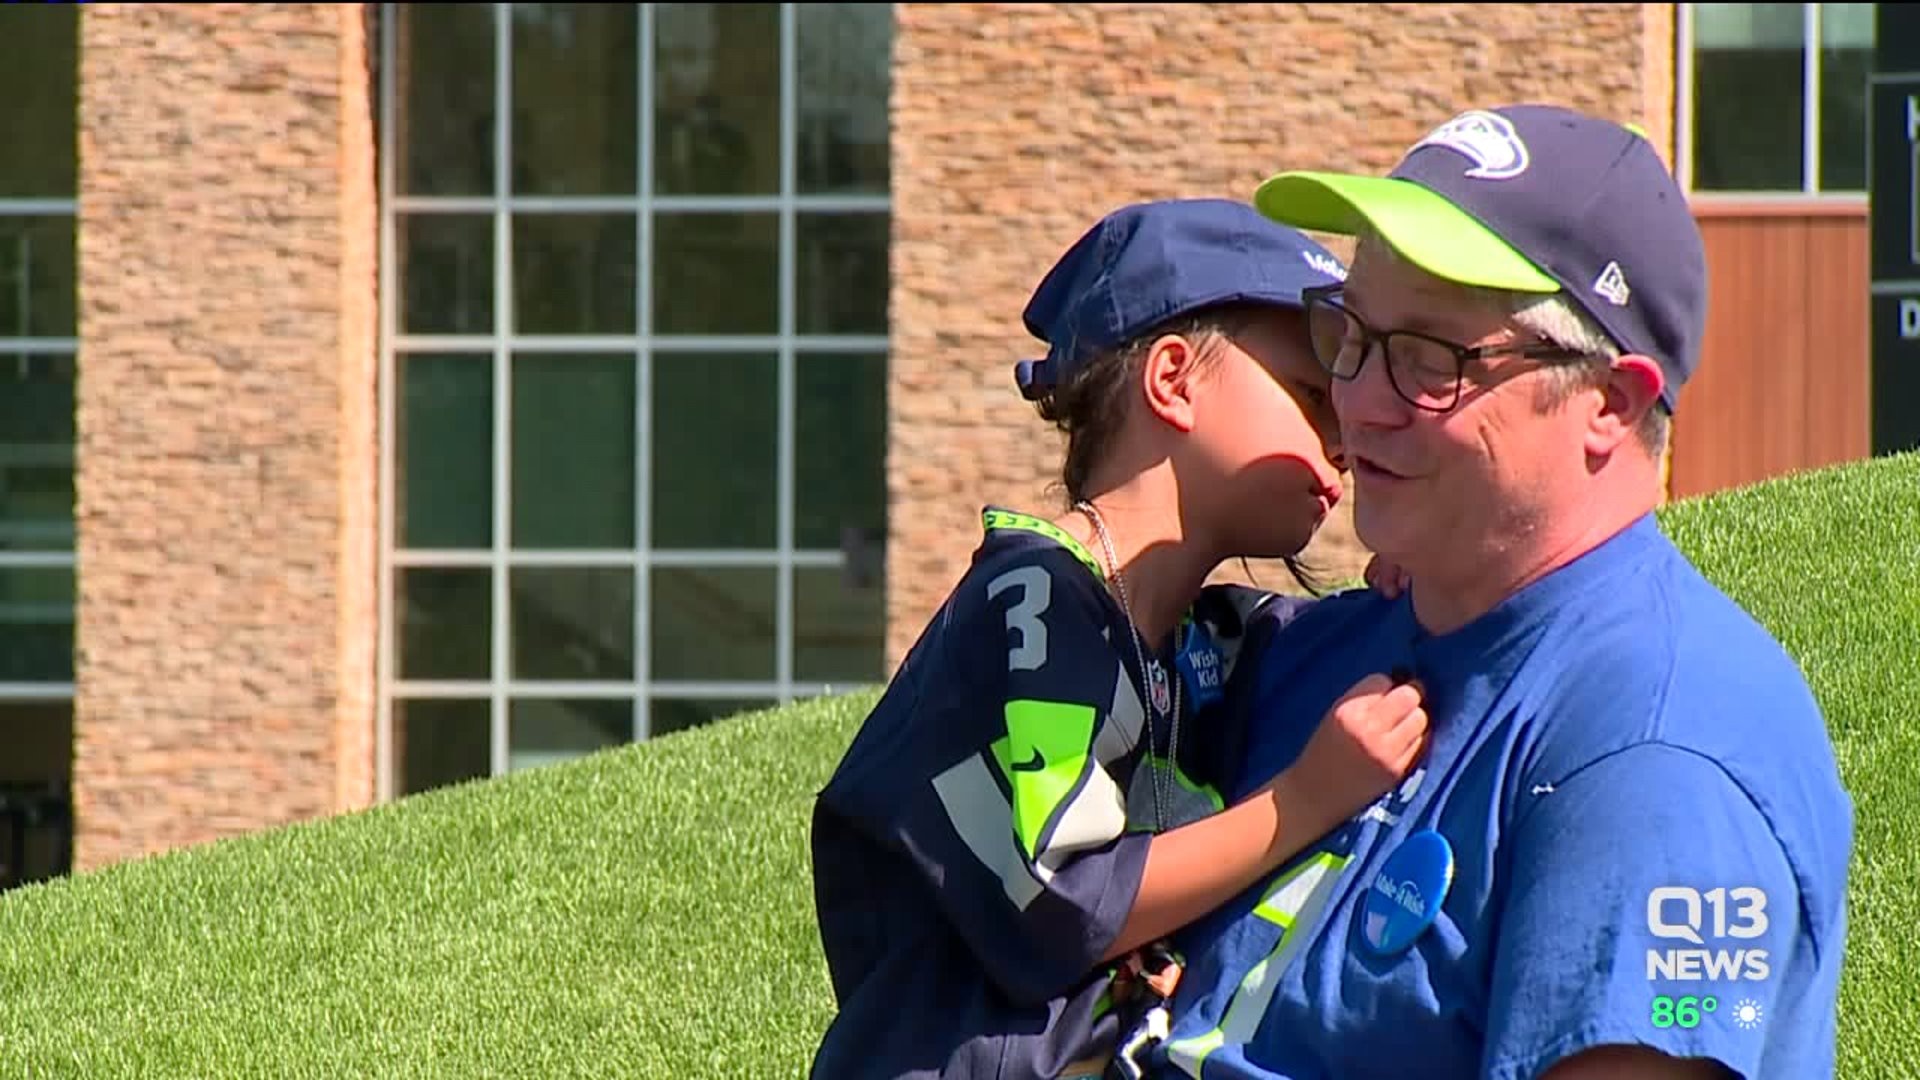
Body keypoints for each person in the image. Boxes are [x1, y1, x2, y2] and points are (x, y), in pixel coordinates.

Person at [1144, 105, 1855, 1080]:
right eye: (1351, 334)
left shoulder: (1656, 754)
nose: (1357, 402)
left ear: (1611, 403)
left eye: (1429, 360)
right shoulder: (1339, 646)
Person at [807, 197, 1433, 1080]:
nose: (1343, 442)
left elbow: (1363, 639)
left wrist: (1422, 562)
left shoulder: (1209, 641)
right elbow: (1065, 903)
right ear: (1173, 379)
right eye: (1311, 397)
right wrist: (1303, 801)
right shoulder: (1032, 608)